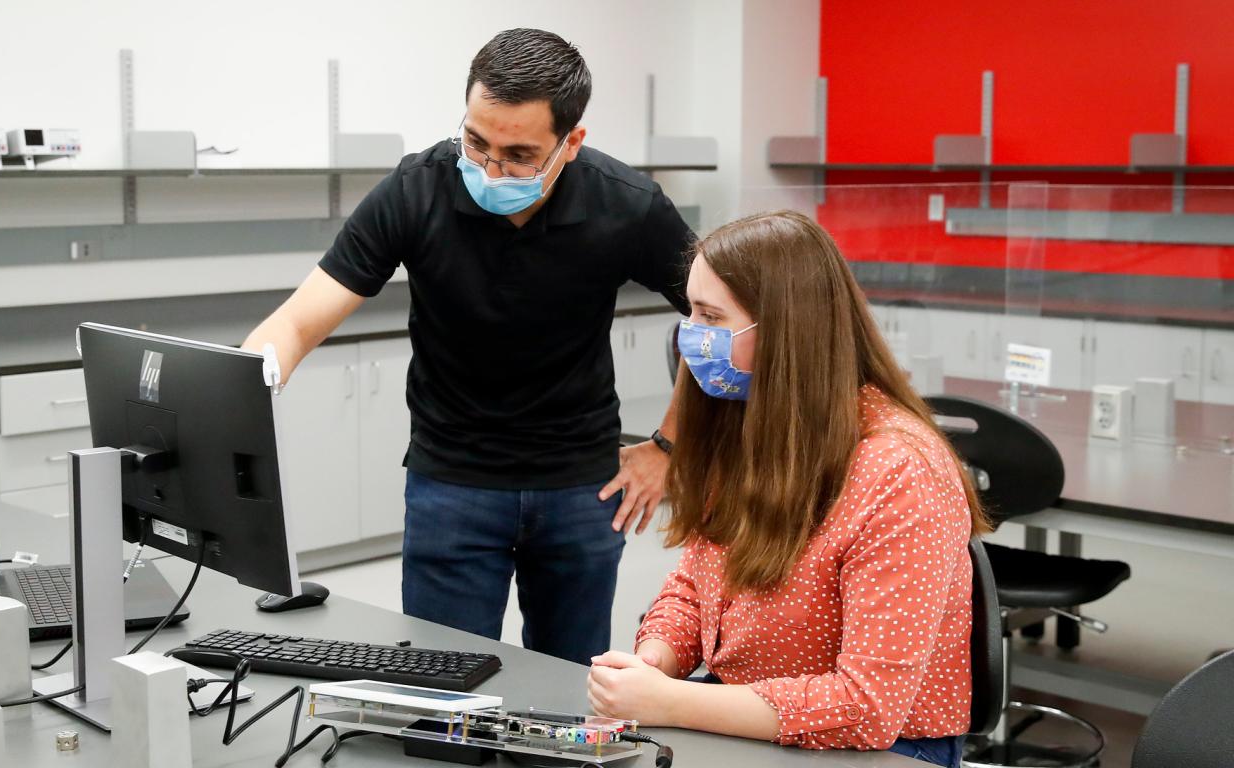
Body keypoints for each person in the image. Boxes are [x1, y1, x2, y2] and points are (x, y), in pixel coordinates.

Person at [241, 28, 693, 665]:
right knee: (439, 696)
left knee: (568, 699)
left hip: (582, 490)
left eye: (517, 155)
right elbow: (296, 323)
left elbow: (724, 325)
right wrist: (242, 392)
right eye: (475, 142)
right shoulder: (416, 189)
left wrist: (670, 446)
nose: (488, 169)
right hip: (452, 486)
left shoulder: (627, 205)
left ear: (572, 143)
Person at [585, 211, 991, 768]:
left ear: (786, 329)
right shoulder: (749, 421)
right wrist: (656, 661)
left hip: (885, 748)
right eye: (691, 313)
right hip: (738, 712)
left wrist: (675, 701)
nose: (692, 337)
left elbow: (867, 707)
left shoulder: (899, 471)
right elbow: (696, 586)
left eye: (711, 316)